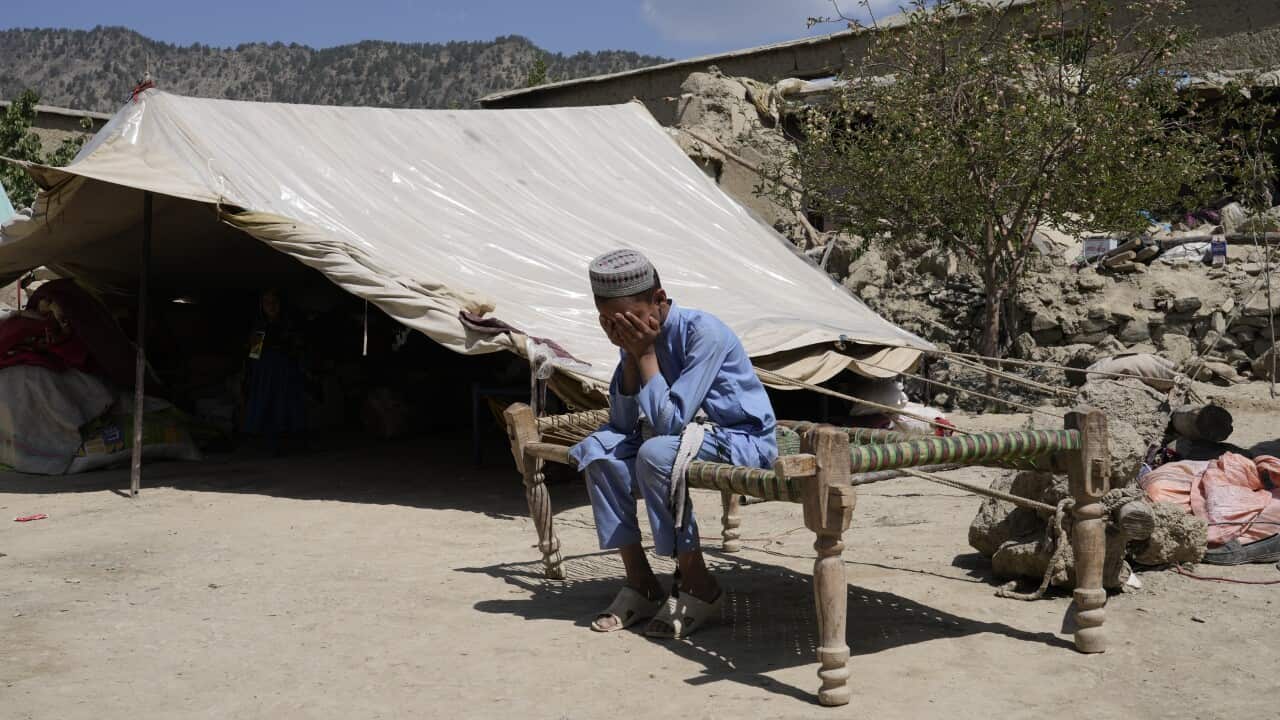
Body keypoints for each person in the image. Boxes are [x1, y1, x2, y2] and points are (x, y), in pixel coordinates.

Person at [569, 249, 777, 639]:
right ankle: (641, 583)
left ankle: (699, 583)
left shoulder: (704, 333)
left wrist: (644, 353)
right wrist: (632, 356)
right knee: (598, 451)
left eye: (630, 321)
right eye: (611, 324)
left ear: (660, 299)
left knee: (655, 454)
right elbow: (623, 422)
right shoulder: (636, 340)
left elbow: (668, 423)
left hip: (739, 438)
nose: (624, 331)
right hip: (682, 438)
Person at [242, 289, 306, 454]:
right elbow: (254, 352)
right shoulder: (259, 325)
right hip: (265, 372)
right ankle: (270, 444)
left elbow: (298, 348)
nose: (271, 306)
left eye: (274, 302)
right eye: (266, 303)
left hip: (286, 371)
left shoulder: (289, 324)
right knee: (267, 404)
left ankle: (291, 442)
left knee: (287, 404)